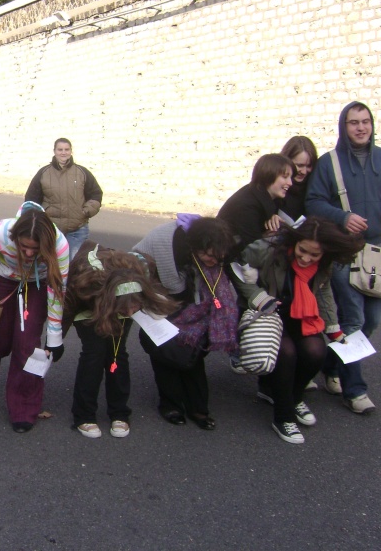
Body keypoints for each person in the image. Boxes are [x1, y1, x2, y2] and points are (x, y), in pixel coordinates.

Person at [235, 219, 362, 443]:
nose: (306, 258)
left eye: (314, 255)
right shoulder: (269, 249)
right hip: (269, 313)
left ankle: (290, 397)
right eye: (302, 251)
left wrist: (335, 330)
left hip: (302, 315)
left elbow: (323, 294)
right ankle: (283, 418)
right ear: (295, 241)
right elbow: (235, 266)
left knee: (316, 352)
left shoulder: (324, 264)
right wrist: (257, 295)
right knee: (286, 354)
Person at [0, 202, 69, 433]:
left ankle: (24, 408)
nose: (28, 254)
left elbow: (58, 291)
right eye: (24, 246)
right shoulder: (1, 232)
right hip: (2, 278)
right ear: (14, 236)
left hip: (37, 285)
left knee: (27, 345)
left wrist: (54, 337)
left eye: (35, 250)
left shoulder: (60, 245)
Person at [306, 101, 381, 414]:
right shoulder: (329, 162)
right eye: (353, 122)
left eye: (365, 121)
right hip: (343, 254)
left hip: (377, 256)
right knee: (354, 319)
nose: (360, 127)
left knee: (372, 320)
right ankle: (355, 391)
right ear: (343, 126)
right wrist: (343, 216)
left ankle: (331, 365)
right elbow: (313, 203)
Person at [133, 216, 239, 430]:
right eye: (209, 256)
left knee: (191, 350)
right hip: (154, 289)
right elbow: (176, 292)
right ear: (196, 246)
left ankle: (197, 407)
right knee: (167, 347)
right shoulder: (171, 247)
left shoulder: (207, 244)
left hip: (187, 299)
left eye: (218, 258)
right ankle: (171, 404)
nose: (214, 261)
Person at [63, 241, 177, 438]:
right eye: (126, 310)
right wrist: (54, 341)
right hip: (90, 308)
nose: (131, 312)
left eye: (135, 308)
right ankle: (84, 415)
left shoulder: (143, 269)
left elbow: (147, 297)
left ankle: (119, 413)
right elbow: (67, 309)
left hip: (118, 299)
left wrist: (136, 310)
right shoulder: (85, 279)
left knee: (117, 354)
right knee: (94, 354)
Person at [25, 137, 103, 259]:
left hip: (77, 230)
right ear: (54, 151)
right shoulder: (43, 173)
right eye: (60, 149)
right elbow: (31, 200)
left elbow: (96, 194)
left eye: (66, 149)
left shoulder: (82, 172)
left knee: (73, 265)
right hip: (51, 230)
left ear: (71, 151)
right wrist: (39, 220)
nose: (63, 152)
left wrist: (85, 212)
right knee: (50, 264)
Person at [217, 153, 294, 252]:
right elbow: (252, 248)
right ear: (268, 175)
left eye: (290, 177)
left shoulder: (264, 196)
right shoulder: (247, 205)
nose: (290, 183)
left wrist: (272, 215)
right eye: (284, 177)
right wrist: (263, 236)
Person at [279, 135, 319, 221]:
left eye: (309, 166)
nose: (304, 171)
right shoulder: (275, 187)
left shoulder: (316, 187)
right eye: (299, 165)